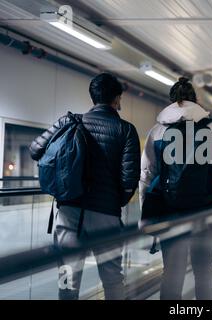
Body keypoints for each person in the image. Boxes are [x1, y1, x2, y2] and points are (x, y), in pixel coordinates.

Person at [29, 73, 141, 300]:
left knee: (67, 280)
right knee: (112, 278)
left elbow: (35, 150)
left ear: (93, 97)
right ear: (117, 99)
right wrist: (112, 202)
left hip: (69, 213)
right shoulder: (126, 130)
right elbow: (130, 179)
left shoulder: (68, 121)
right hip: (106, 216)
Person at [139, 77, 212, 300]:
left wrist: (147, 214)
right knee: (204, 270)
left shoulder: (158, 131)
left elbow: (146, 176)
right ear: (195, 101)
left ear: (171, 101)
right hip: (207, 213)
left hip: (170, 211)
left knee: (172, 273)